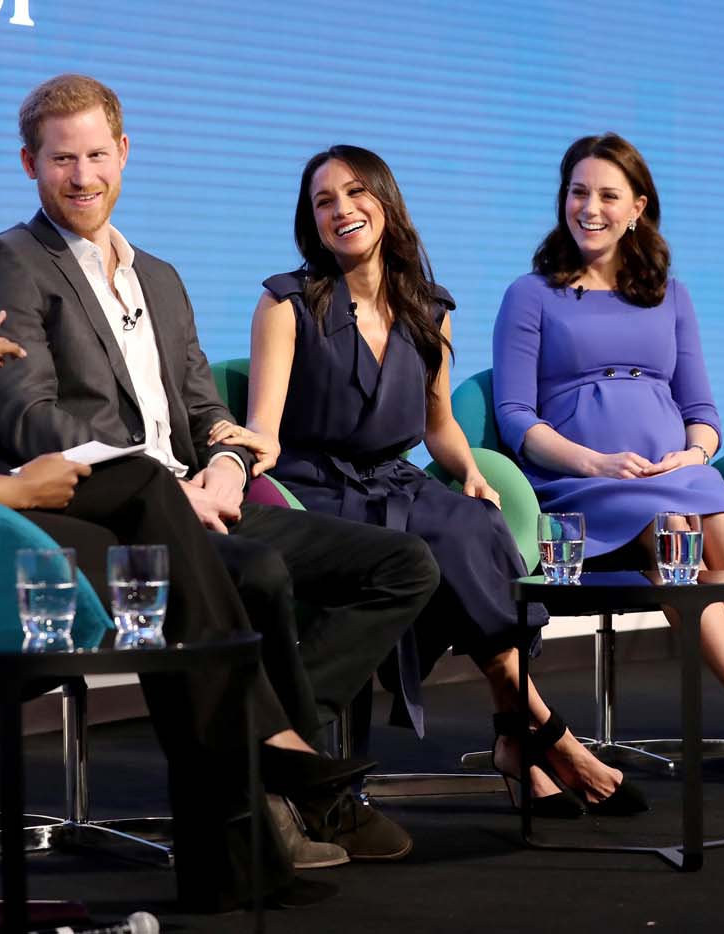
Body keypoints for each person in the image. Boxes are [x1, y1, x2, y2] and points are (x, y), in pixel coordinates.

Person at [0, 92, 360, 912]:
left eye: (98, 155)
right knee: (158, 522)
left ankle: (250, 821)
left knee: (156, 545)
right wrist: (10, 487)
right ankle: (258, 773)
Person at [0, 75, 438, 859]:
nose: (83, 176)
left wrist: (224, 469)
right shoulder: (5, 263)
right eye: (62, 159)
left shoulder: (161, 277)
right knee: (260, 574)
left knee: (405, 566)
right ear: (28, 164)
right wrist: (166, 485)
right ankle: (295, 793)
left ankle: (273, 766)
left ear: (125, 152)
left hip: (201, 500)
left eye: (97, 155)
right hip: (95, 514)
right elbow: (24, 413)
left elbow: (207, 407)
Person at [209, 145, 644, 817]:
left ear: (385, 201)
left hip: (393, 480)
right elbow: (265, 425)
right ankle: (547, 737)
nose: (342, 210)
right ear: (312, 221)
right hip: (315, 487)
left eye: (355, 194)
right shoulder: (286, 303)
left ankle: (520, 740)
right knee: (447, 548)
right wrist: (242, 451)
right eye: (324, 202)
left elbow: (439, 425)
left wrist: (469, 469)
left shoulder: (429, 309)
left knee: (474, 524)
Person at [492, 133, 724, 784]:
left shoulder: (671, 295)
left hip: (671, 475)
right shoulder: (530, 295)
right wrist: (593, 463)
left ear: (638, 207)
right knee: (679, 533)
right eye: (578, 192)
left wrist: (689, 459)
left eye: (608, 195)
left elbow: (704, 414)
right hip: (581, 485)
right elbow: (514, 418)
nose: (590, 207)